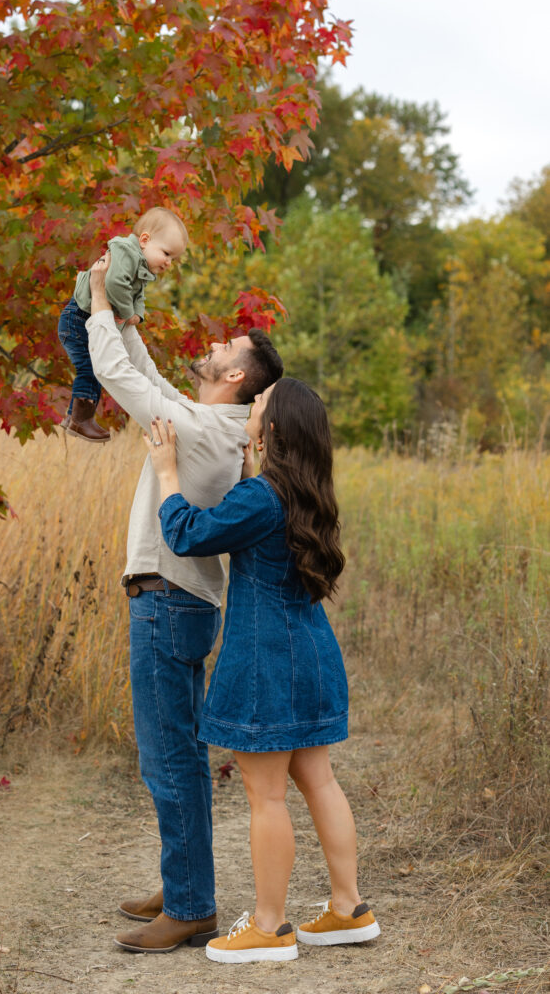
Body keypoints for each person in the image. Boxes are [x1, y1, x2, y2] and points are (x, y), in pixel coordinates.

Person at [85, 252, 284, 953]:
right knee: (175, 755)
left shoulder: (200, 429)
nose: (210, 346)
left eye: (224, 348)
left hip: (167, 603)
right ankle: (183, 884)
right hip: (175, 603)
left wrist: (100, 309)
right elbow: (150, 378)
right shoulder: (210, 421)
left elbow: (116, 376)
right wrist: (128, 316)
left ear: (235, 377)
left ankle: (193, 905)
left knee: (167, 757)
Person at [144, 377, 380, 965]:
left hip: (265, 661)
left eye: (259, 405)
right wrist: (252, 471)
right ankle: (349, 908)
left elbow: (186, 534)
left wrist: (167, 471)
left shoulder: (262, 498)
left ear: (271, 430)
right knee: (318, 781)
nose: (251, 408)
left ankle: (271, 927)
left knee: (265, 794)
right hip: (312, 653)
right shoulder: (306, 494)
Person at [58, 207, 188, 443]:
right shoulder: (124, 254)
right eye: (167, 253)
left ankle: (73, 418)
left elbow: (138, 295)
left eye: (173, 259)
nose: (169, 262)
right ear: (145, 240)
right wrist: (128, 312)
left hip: (86, 320)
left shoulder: (142, 267)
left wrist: (137, 313)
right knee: (91, 369)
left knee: (95, 368)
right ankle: (79, 420)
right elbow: (116, 284)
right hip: (77, 319)